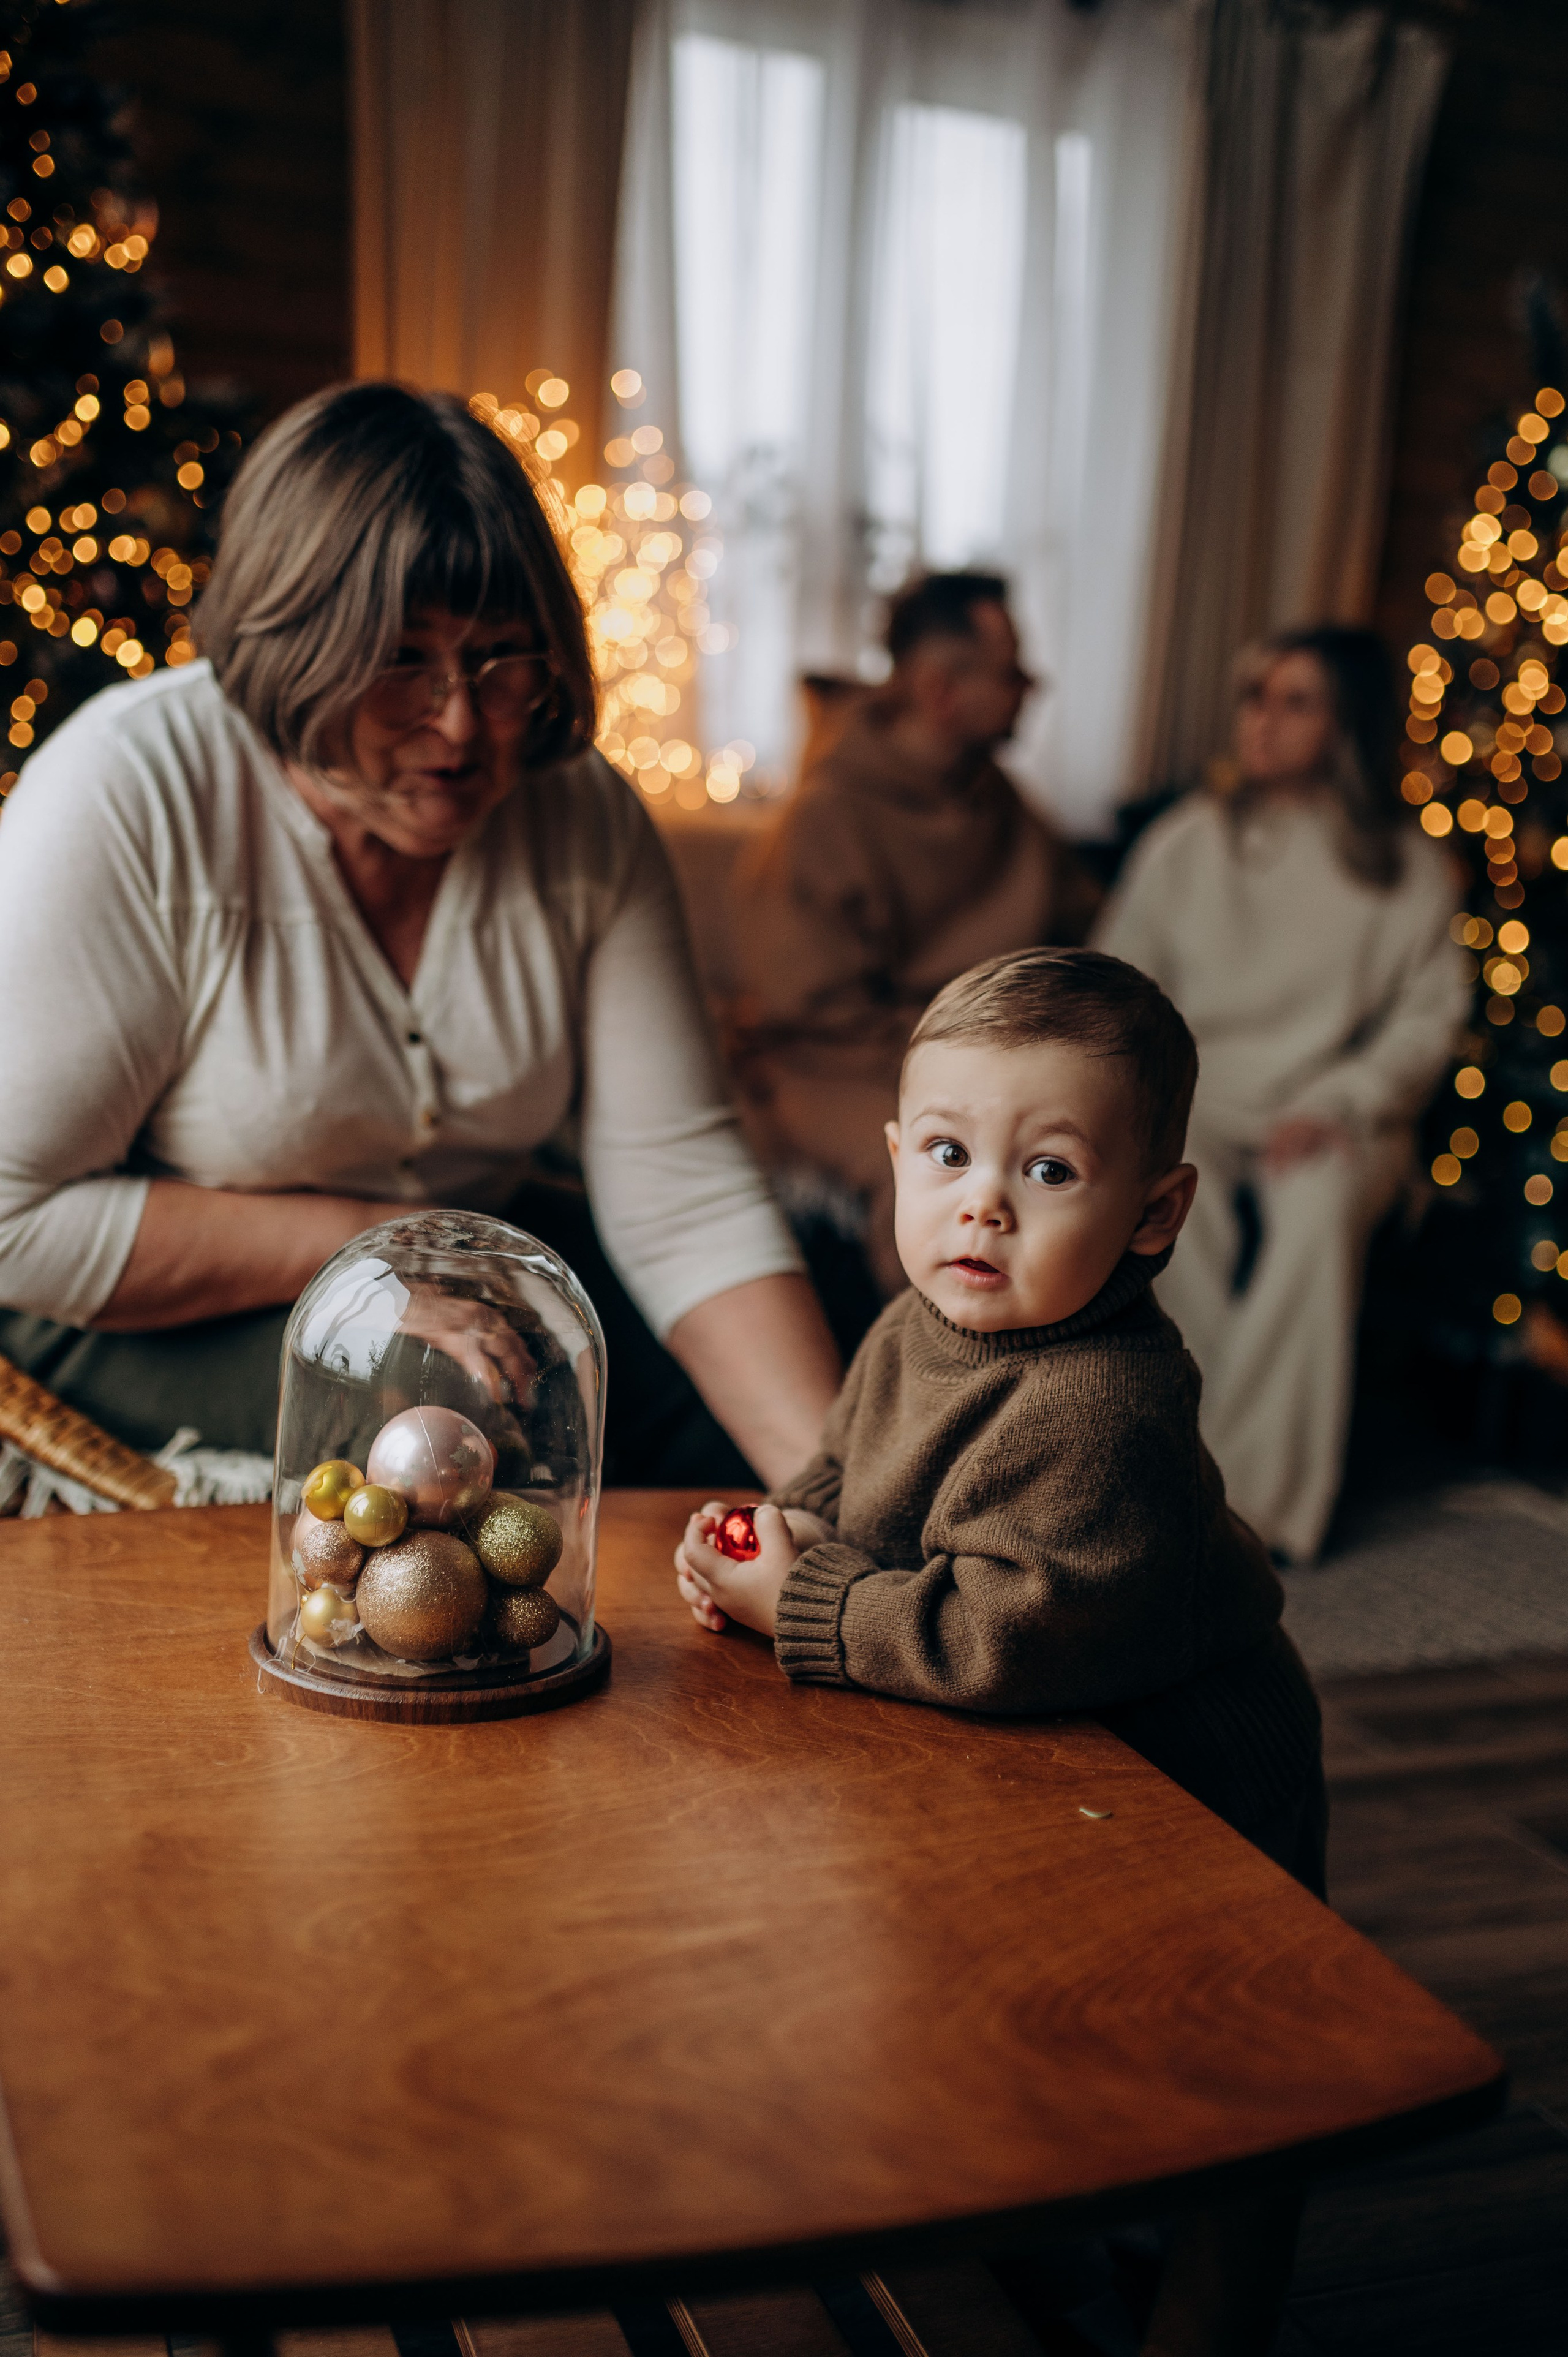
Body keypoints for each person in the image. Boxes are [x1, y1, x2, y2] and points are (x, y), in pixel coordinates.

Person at [0, 383, 841, 1487]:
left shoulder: (580, 814)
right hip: (104, 1313)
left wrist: (844, 1506)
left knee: (781, 1350)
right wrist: (376, 1250)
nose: (459, 723)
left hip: (452, 1269)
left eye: (501, 658)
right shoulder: (126, 793)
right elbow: (15, 1221)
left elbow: (683, 1189)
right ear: (292, 643)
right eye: (401, 659)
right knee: (447, 1419)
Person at [675, 946, 1325, 2357]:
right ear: (895, 1160)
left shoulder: (1103, 1409)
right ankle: (1027, 2240)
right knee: (1025, 2030)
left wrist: (806, 1602)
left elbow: (997, 1635)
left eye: (1046, 1171)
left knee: (1215, 2093)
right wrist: (764, 1541)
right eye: (952, 1154)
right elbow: (840, 1478)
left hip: (1188, 1796)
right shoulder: (921, 1322)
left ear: (1152, 1211)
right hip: (1050, 1778)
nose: (980, 1200)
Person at [1096, 627, 1467, 1563]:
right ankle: (1183, 1467)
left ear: (1346, 724)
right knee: (1174, 1200)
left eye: (1293, 701)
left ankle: (1259, 1509)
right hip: (1198, 1098)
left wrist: (1338, 1103)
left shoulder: (1409, 869)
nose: (1261, 720)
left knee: (1316, 1208)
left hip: (1345, 1112)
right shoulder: (1189, 842)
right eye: (1255, 696)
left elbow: (1427, 1026)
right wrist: (1160, 1099)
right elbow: (1120, 988)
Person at [729, 572, 1097, 1296]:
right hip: (831, 1069)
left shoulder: (1002, 802)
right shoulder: (827, 817)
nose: (1034, 685)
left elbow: (1090, 923)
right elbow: (810, 1011)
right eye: (1011, 670)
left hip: (982, 1062)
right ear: (940, 689)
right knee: (940, 1172)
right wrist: (964, 1061)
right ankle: (927, 1390)